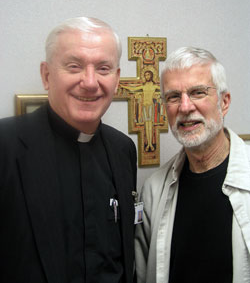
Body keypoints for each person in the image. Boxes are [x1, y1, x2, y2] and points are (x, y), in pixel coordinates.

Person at [0, 17, 137, 283]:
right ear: (47, 75)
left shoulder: (123, 150)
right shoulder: (5, 145)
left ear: (117, 79)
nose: (89, 81)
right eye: (74, 66)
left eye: (103, 68)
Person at [135, 47, 250, 283]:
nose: (185, 107)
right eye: (174, 97)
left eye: (198, 92)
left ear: (224, 102)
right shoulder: (154, 191)